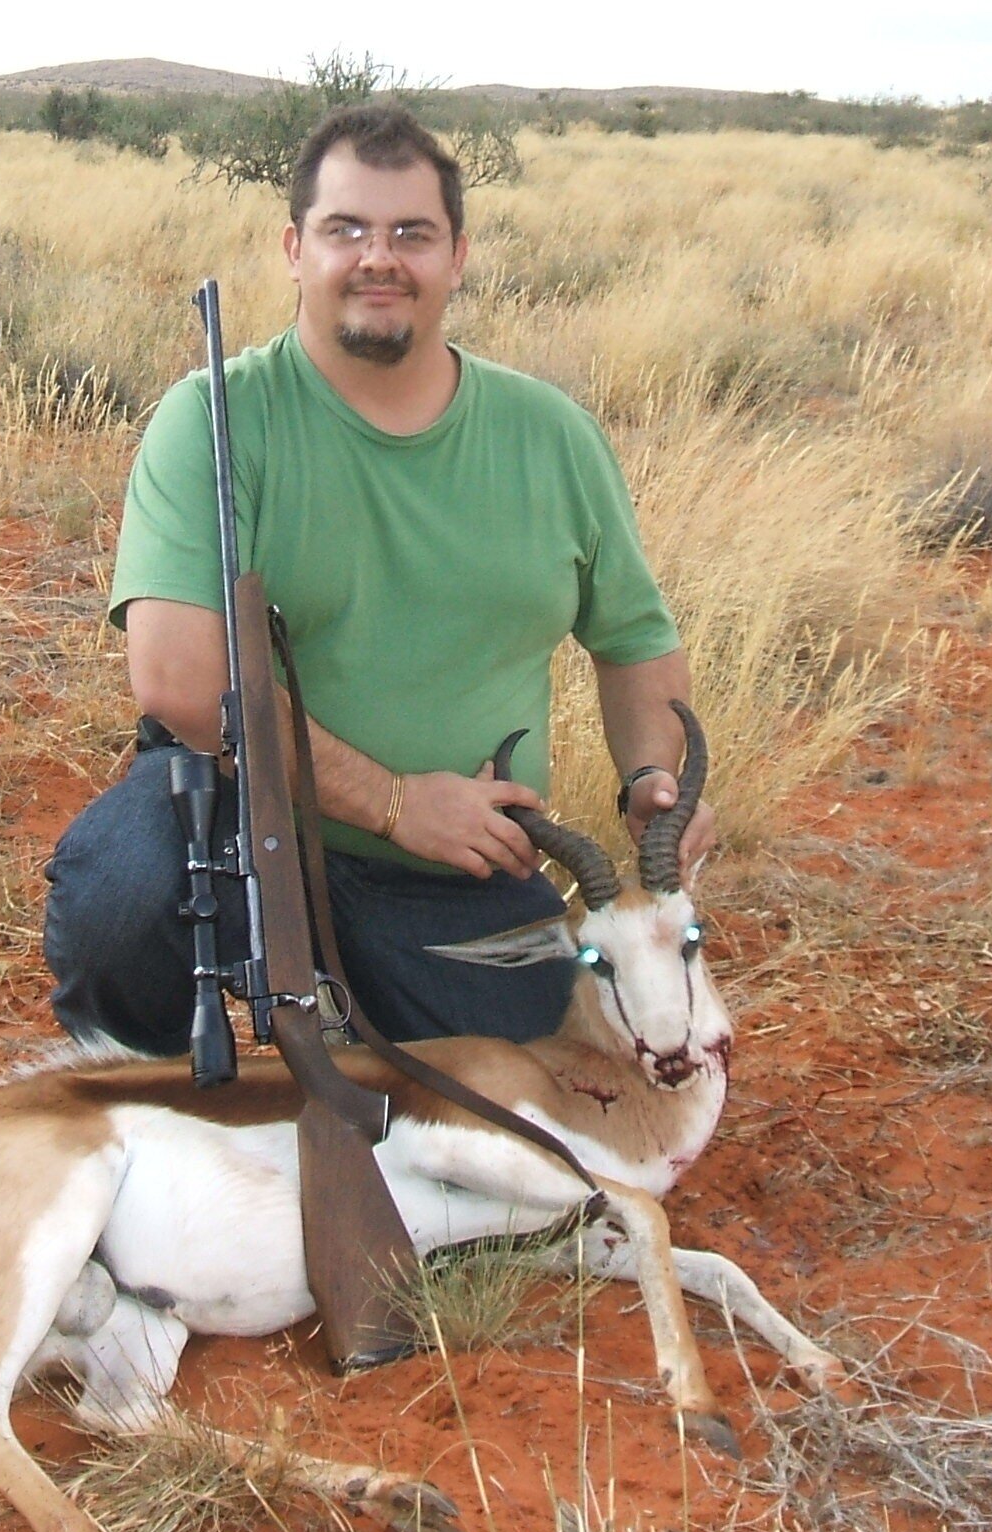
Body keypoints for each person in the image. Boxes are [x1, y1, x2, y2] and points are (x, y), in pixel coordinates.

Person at [43, 103, 717, 1052]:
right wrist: (398, 803)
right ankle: (134, 1090)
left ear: (458, 256)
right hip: (249, 822)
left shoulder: (554, 435)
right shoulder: (214, 417)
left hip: (466, 857)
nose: (379, 258)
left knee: (550, 1082)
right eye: (345, 229)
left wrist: (652, 773)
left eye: (412, 233)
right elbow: (181, 686)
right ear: (293, 248)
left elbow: (637, 644)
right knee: (123, 892)